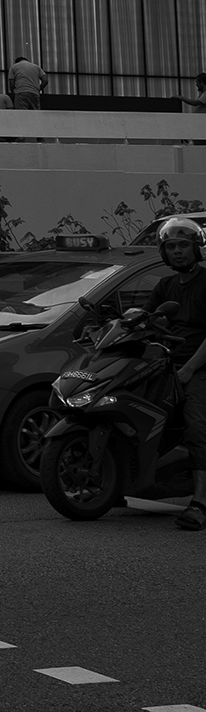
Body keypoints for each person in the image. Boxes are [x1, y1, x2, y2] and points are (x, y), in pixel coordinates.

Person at [152, 218, 206, 531]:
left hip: (199, 367)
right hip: (167, 365)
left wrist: (189, 368)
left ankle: (199, 503)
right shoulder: (165, 286)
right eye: (171, 246)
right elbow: (147, 319)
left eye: (184, 245)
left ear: (196, 249)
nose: (177, 251)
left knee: (197, 426)